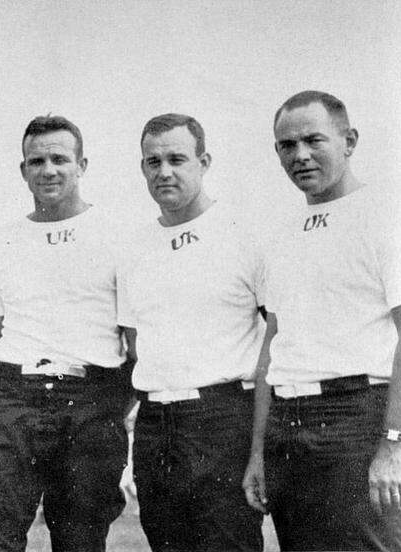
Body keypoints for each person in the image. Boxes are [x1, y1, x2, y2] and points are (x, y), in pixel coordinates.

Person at [242, 90, 401, 552]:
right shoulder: (281, 234)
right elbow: (273, 347)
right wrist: (258, 453)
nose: (300, 155)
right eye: (287, 146)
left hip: (357, 419)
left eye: (314, 140)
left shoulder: (388, 218)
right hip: (288, 423)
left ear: (349, 141)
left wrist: (394, 444)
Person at [0, 115, 134, 551]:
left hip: (90, 400)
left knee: (80, 539)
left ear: (82, 165)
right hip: (14, 398)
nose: (48, 170)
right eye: (36, 160)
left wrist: (106, 404)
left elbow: (134, 338)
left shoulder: (118, 236)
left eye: (60, 159)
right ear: (23, 170)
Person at [122, 113, 269, 551]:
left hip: (223, 421)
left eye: (177, 159)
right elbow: (134, 346)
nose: (164, 171)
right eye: (153, 161)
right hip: (155, 427)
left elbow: (277, 339)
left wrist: (258, 448)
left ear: (203, 162)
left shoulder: (244, 236)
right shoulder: (134, 249)